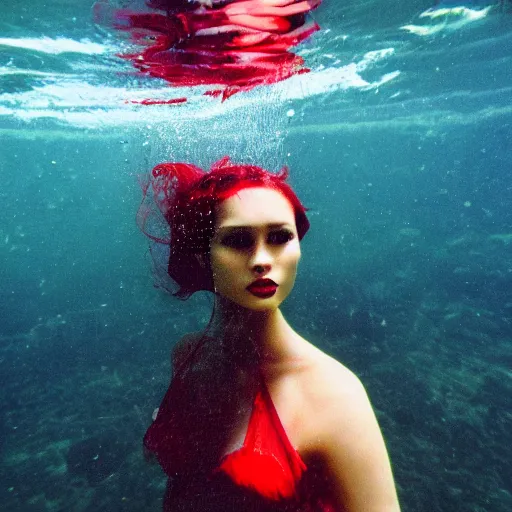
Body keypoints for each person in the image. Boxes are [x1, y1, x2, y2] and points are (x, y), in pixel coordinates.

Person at [139, 156, 401, 511]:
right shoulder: (188, 356)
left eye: (280, 237)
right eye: (238, 240)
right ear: (203, 256)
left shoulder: (338, 397)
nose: (262, 259)